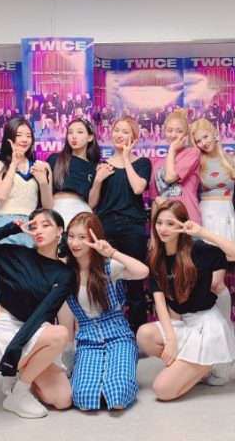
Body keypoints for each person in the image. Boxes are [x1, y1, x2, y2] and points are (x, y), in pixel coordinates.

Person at [0, 210, 74, 419]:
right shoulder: (14, 253)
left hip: (34, 329)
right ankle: (19, 392)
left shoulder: (65, 273)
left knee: (62, 400)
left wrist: (17, 348)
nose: (38, 230)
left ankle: (18, 378)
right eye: (34, 226)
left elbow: (44, 312)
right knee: (61, 333)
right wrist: (11, 228)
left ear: (59, 230)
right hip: (3, 327)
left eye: (46, 225)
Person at [136, 201, 235, 401]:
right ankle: (202, 366)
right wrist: (171, 341)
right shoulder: (156, 258)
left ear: (182, 225)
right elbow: (160, 305)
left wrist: (201, 232)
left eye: (170, 223)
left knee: (162, 390)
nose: (163, 229)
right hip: (186, 325)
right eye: (159, 223)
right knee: (144, 335)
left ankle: (214, 361)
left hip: (208, 326)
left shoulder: (198, 250)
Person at [63, 212, 149, 410]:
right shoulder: (65, 271)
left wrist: (112, 252)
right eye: (71, 236)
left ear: (95, 238)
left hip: (119, 337)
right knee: (84, 399)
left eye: (82, 237)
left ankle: (119, 375)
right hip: (87, 342)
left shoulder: (108, 267)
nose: (75, 243)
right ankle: (97, 382)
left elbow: (142, 272)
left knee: (117, 397)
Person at [88, 116, 152, 333]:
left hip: (132, 228)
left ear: (134, 137)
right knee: (105, 281)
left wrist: (126, 158)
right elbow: (92, 203)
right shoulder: (102, 166)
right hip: (106, 227)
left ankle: (138, 334)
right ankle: (108, 331)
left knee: (135, 285)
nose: (119, 135)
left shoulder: (142, 163)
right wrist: (98, 179)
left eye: (125, 132)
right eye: (116, 130)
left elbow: (138, 188)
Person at [190, 118, 235, 322]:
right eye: (198, 141)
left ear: (215, 133)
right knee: (209, 282)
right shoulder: (196, 162)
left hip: (226, 216)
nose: (203, 143)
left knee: (218, 282)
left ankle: (226, 327)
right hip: (206, 218)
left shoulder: (232, 159)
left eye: (205, 137)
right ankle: (213, 326)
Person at [0, 117, 53, 247]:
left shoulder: (41, 166)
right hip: (3, 224)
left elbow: (48, 206)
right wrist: (13, 164)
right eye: (19, 135)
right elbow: (0, 196)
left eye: (28, 136)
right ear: (9, 138)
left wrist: (43, 183)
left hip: (31, 225)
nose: (24, 140)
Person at [46, 118, 100, 229]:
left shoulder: (94, 167)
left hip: (82, 212)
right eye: (70, 132)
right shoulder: (55, 159)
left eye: (80, 132)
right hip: (56, 209)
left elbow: (92, 203)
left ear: (90, 137)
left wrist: (99, 180)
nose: (74, 136)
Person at [149, 109, 202, 223]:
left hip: (188, 217)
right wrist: (154, 232)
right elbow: (155, 200)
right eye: (170, 130)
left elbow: (170, 177)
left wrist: (172, 149)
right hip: (165, 222)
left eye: (179, 131)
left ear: (186, 134)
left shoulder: (192, 153)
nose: (173, 135)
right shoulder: (157, 163)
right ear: (164, 132)